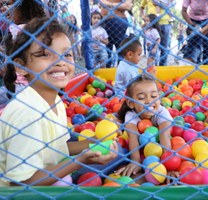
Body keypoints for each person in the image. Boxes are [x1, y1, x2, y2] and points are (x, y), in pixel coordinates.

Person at [0, 17, 119, 187]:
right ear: (21, 67)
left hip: (49, 174)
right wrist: (78, 161)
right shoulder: (27, 113)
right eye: (45, 54)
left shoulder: (54, 100)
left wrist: (92, 143)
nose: (60, 62)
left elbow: (57, 148)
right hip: (21, 191)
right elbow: (21, 183)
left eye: (66, 54)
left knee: (119, 153)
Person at [115, 75, 173, 177]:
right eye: (141, 97)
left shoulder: (163, 113)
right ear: (131, 103)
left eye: (154, 96)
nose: (149, 101)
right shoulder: (131, 115)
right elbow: (133, 136)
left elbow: (165, 137)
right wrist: (136, 161)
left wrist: (168, 166)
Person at [181, 0, 208, 65]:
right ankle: (195, 63)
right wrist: (192, 25)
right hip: (192, 20)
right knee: (195, 44)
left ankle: (207, 65)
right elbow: (183, 11)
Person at [100, 0, 133, 67]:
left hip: (117, 20)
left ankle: (120, 70)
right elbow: (101, 2)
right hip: (104, 20)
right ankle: (107, 70)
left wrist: (109, 4)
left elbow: (127, 6)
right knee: (106, 48)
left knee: (119, 47)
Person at [140, 0, 173, 66]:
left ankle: (162, 68)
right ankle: (152, 67)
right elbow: (141, 7)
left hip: (165, 23)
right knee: (152, 47)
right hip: (152, 24)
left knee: (164, 48)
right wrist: (143, 17)